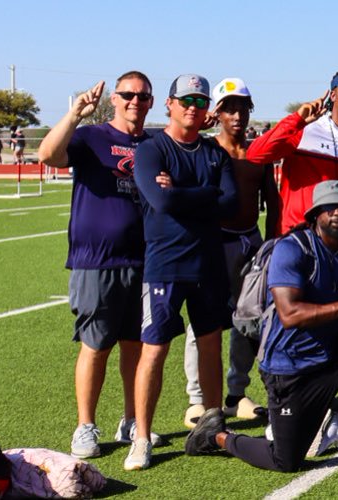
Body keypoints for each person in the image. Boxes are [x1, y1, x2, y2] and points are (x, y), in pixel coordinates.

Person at [183, 180, 338, 471]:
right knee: (285, 460)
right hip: (290, 368)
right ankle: (216, 437)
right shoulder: (292, 249)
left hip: (331, 352)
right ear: (315, 215)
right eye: (330, 207)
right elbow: (290, 314)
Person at [125, 75, 237, 471]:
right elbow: (160, 199)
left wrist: (184, 192)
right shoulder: (151, 149)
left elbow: (230, 203)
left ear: (208, 109)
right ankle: (141, 437)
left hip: (208, 264)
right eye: (186, 99)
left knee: (210, 346)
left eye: (200, 101)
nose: (193, 106)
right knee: (154, 349)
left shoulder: (213, 153)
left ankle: (212, 424)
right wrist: (203, 192)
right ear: (169, 104)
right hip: (165, 265)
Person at [39, 73, 153, 459]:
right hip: (97, 260)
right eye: (127, 94)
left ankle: (131, 419)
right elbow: (48, 155)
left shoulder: (153, 144)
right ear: (115, 100)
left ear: (151, 102)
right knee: (95, 345)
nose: (134, 101)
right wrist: (75, 114)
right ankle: (85, 426)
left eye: (142, 95)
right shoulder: (92, 137)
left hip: (144, 259)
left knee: (135, 346)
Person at [180, 78, 280, 425]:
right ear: (218, 113)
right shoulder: (204, 149)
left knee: (248, 320)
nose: (237, 115)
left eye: (242, 108)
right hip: (213, 242)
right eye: (229, 108)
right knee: (202, 320)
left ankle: (236, 392)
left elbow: (273, 200)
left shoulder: (259, 152)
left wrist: (272, 244)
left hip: (250, 242)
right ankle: (196, 398)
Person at [248, 67, 338, 270]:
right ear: (333, 95)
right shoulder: (305, 130)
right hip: (296, 247)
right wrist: (296, 120)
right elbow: (256, 153)